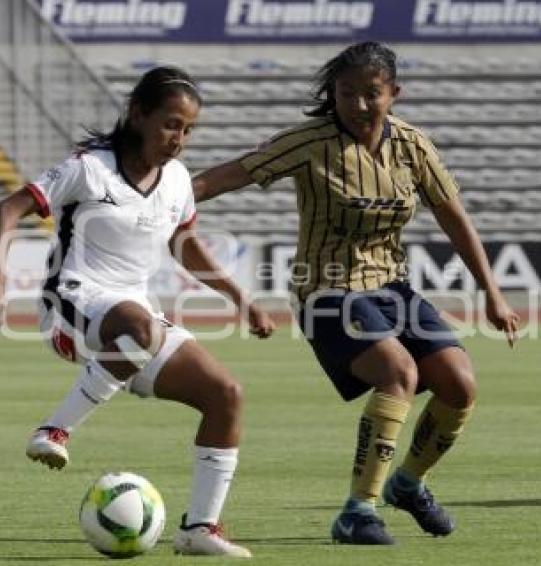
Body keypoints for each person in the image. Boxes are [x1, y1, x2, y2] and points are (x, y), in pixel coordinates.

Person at [192, 42, 520, 545]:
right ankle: (357, 512)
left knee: (459, 384)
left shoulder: (413, 146)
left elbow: (455, 218)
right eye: (347, 93)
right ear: (334, 94)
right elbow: (231, 173)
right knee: (399, 372)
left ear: (394, 93)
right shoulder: (309, 141)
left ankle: (408, 485)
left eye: (372, 93)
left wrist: (492, 294)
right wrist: (157, 198)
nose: (359, 104)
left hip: (391, 285)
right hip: (326, 291)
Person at [0, 66, 274, 558]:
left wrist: (241, 301)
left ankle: (200, 528)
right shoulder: (89, 168)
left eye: (188, 129)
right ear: (138, 114)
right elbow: (6, 210)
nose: (178, 138)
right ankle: (55, 429)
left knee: (226, 394)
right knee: (141, 329)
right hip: (70, 304)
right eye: (170, 124)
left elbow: (185, 245)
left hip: (132, 322)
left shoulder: (176, 180)